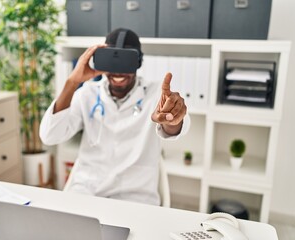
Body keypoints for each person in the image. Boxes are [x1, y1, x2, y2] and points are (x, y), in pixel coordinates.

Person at [40, 28, 190, 206]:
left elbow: (175, 125)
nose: (118, 73)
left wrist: (172, 120)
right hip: (87, 192)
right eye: (113, 61)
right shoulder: (87, 93)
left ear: (138, 62)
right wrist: (72, 82)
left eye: (125, 63)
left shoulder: (155, 94)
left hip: (136, 198)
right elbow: (50, 136)